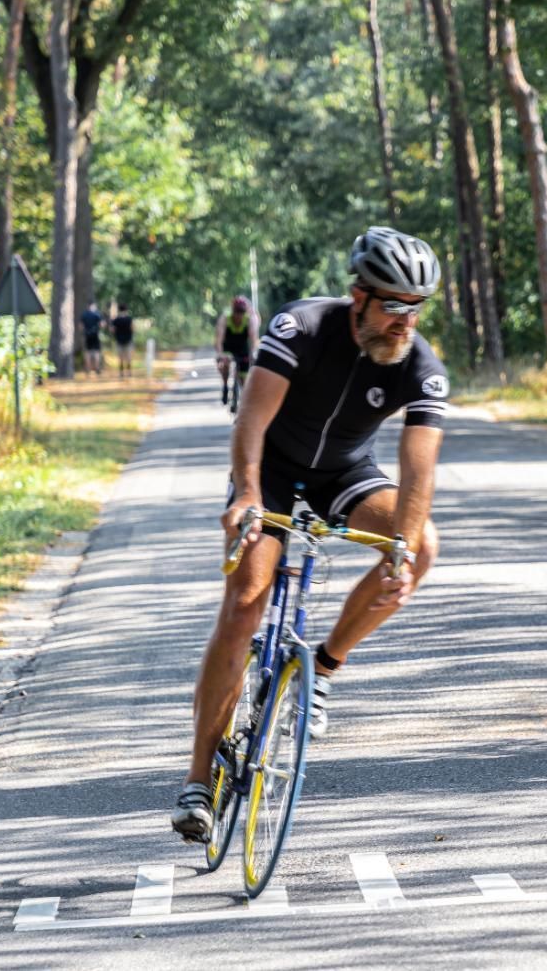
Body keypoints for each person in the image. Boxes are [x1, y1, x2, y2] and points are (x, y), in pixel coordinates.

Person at [171, 227, 448, 841]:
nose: (406, 321)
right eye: (395, 306)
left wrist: (399, 553)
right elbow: (251, 419)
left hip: (344, 473)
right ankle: (198, 780)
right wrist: (245, 494)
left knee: (422, 544)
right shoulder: (303, 327)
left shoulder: (421, 366)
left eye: (417, 308)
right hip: (269, 468)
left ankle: (322, 669)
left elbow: (418, 468)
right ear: (360, 297)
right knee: (245, 602)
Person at [214, 295, 260, 412]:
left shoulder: (249, 320)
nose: (239, 315)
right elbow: (218, 340)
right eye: (237, 311)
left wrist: (253, 353)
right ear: (232, 310)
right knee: (224, 364)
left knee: (244, 380)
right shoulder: (225, 319)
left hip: (243, 349)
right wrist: (220, 354)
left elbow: (254, 339)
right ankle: (225, 386)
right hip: (228, 348)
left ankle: (242, 406)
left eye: (242, 312)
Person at [80, 301, 105, 375]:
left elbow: (81, 326)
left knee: (87, 352)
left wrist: (85, 331)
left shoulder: (84, 315)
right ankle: (97, 368)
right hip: (95, 335)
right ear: (93, 306)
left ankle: (88, 369)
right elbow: (102, 325)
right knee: (96, 352)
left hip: (87, 335)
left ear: (88, 306)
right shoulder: (97, 314)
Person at [112, 304, 134, 379]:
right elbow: (132, 328)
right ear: (126, 310)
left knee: (120, 357)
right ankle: (129, 372)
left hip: (119, 340)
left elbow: (112, 330)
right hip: (128, 340)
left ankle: (121, 373)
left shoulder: (116, 320)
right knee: (129, 357)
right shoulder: (129, 319)